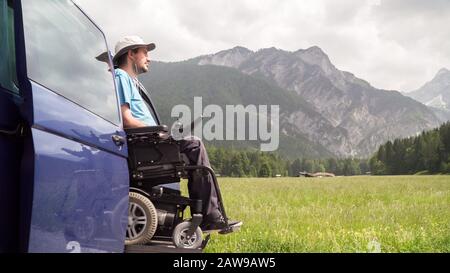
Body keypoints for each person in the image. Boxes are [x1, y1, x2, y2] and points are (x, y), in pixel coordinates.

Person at [111, 35, 241, 232]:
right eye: (145, 52)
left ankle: (208, 214)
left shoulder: (132, 82)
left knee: (193, 148)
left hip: (150, 141)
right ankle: (210, 216)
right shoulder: (121, 76)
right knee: (194, 145)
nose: (149, 58)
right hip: (144, 146)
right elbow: (126, 119)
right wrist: (159, 132)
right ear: (131, 54)